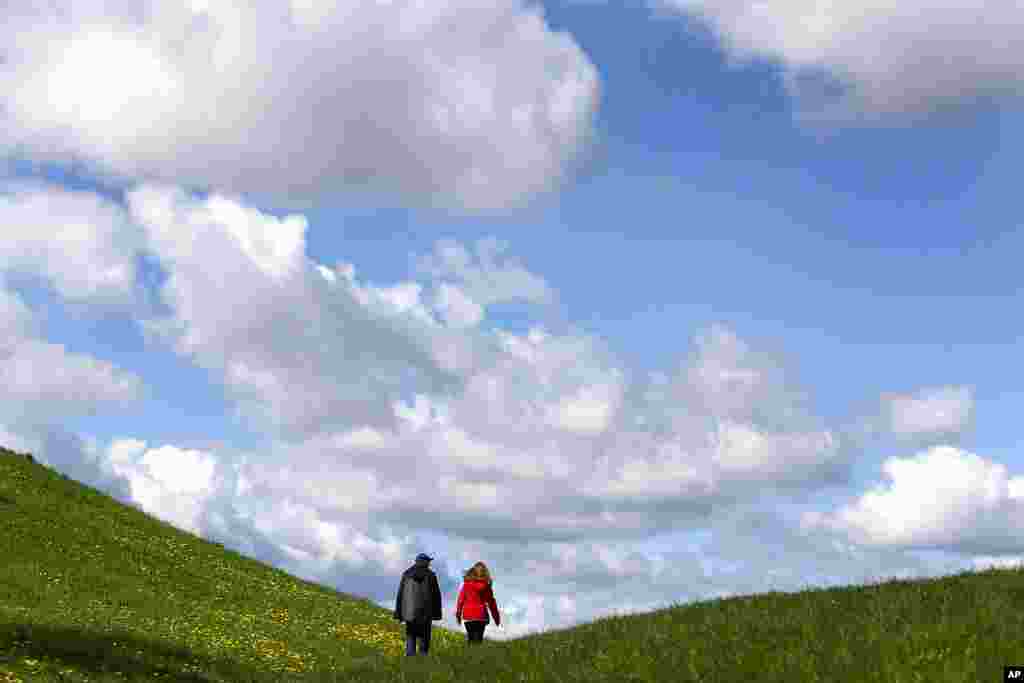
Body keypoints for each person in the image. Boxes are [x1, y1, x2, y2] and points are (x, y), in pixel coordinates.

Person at [394, 553, 443, 656]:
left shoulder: (407, 574)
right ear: (425, 562)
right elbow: (436, 596)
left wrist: (399, 613)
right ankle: (422, 658)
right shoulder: (431, 575)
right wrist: (437, 614)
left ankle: (410, 657)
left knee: (410, 635)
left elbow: (401, 594)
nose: (430, 563)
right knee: (424, 636)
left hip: (409, 612)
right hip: (426, 612)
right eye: (428, 561)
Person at [455, 561, 501, 644]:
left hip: (468, 616)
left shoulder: (466, 585)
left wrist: (458, 615)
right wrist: (496, 618)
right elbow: (492, 603)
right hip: (481, 616)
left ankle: (469, 655)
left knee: (471, 639)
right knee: (478, 640)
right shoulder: (486, 586)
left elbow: (460, 601)